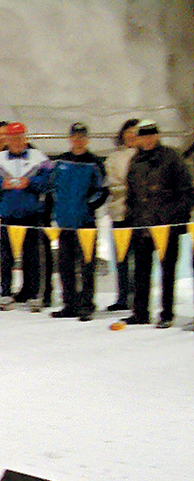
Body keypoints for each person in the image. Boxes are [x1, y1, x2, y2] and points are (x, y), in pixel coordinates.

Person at [121, 119, 194, 328]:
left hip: (166, 226)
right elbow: (131, 194)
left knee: (167, 272)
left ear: (158, 136)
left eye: (152, 135)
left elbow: (186, 192)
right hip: (142, 226)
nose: (149, 140)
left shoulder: (172, 158)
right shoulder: (135, 161)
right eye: (145, 136)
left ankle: (167, 313)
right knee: (141, 271)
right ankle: (140, 311)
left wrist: (173, 217)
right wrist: (131, 219)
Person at [0, 122, 52, 308]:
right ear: (7, 139)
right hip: (7, 215)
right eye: (12, 138)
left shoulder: (39, 158)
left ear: (25, 138)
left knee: (33, 257)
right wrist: (1, 186)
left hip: (31, 214)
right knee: (6, 257)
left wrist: (29, 182)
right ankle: (5, 292)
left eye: (20, 137)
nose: (16, 141)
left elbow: (48, 181)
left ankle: (35, 293)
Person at [49, 123, 108, 321]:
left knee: (86, 265)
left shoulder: (94, 162)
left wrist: (87, 207)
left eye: (82, 137)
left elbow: (101, 191)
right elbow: (52, 187)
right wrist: (56, 212)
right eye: (75, 137)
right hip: (65, 222)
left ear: (87, 139)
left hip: (86, 223)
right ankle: (70, 304)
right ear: (70, 138)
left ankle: (87, 304)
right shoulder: (61, 161)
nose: (79, 140)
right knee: (65, 265)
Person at [104, 118, 139, 312]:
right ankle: (122, 296)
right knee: (122, 258)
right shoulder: (113, 158)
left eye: (136, 132)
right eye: (128, 131)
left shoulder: (146, 156)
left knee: (141, 259)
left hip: (142, 215)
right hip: (119, 213)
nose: (132, 135)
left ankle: (139, 296)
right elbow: (112, 182)